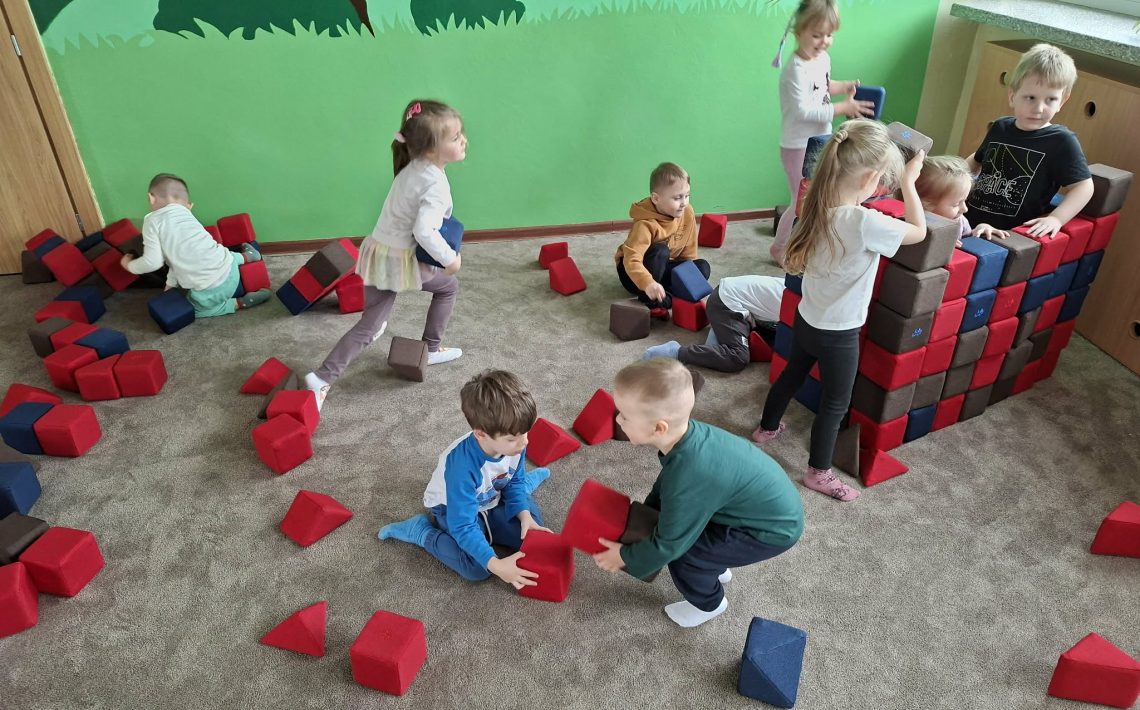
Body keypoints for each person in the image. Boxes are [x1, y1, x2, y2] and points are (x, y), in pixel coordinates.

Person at [752, 119, 926, 502]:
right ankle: (818, 473)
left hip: (808, 318)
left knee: (792, 375)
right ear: (870, 179)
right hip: (839, 333)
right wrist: (910, 182)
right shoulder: (865, 221)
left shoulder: (817, 204)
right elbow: (919, 232)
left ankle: (766, 428)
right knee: (835, 404)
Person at [592, 359, 804, 628]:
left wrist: (625, 557)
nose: (618, 420)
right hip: (752, 508)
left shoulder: (689, 474)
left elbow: (670, 544)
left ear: (659, 428)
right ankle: (716, 562)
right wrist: (645, 516)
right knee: (693, 528)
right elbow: (665, 487)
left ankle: (710, 604)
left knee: (687, 556)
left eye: (624, 416)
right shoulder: (686, 440)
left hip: (771, 531)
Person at [303, 99, 466, 411]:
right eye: (456, 137)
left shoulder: (413, 166)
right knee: (440, 290)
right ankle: (322, 378)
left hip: (379, 253)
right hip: (398, 263)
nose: (464, 141)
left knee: (378, 321)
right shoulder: (435, 183)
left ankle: (429, 348)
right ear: (432, 148)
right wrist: (450, 259)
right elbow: (425, 231)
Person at [378, 370, 552, 589]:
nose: (525, 442)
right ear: (481, 434)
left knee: (532, 535)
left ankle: (523, 494)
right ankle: (421, 531)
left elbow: (514, 480)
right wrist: (496, 565)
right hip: (452, 510)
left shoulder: (516, 442)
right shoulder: (461, 467)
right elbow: (463, 525)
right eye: (513, 438)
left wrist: (523, 514)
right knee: (477, 569)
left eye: (526, 432)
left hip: (493, 493)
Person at [770, 0, 873, 263]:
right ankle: (779, 248)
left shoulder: (822, 59)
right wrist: (843, 108)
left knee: (813, 199)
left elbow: (823, 86)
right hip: (797, 145)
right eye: (817, 35)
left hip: (819, 140)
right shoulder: (794, 70)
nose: (824, 41)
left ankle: (802, 246)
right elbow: (803, 111)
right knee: (799, 202)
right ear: (799, 33)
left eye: (829, 35)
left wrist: (844, 86)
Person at [964, 43, 1093, 237]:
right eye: (1030, 97)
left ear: (1062, 101)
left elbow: (1083, 186)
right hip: (968, 223)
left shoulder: (1061, 141)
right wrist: (955, 180)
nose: (1039, 108)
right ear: (1012, 96)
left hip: (1009, 236)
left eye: (1050, 99)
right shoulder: (1000, 127)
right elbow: (977, 160)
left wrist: (1056, 219)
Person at [122, 173, 269, 317]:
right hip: (231, 269)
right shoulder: (186, 214)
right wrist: (169, 286)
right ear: (188, 205)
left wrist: (129, 265)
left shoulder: (151, 220)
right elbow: (176, 260)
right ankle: (248, 256)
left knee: (193, 310)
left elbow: (152, 262)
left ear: (151, 198)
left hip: (213, 290)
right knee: (215, 252)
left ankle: (238, 303)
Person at [614, 162, 710, 315]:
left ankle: (665, 296)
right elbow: (631, 260)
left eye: (687, 196)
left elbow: (688, 252)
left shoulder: (687, 212)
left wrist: (689, 278)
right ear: (656, 198)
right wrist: (648, 283)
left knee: (702, 267)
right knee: (660, 250)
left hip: (663, 267)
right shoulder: (645, 224)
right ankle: (650, 297)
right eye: (677, 198)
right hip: (632, 274)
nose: (684, 203)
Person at [642, 275, 784, 373]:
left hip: (735, 298)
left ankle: (719, 333)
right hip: (726, 303)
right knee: (738, 357)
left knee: (775, 341)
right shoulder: (793, 302)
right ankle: (675, 351)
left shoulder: (793, 287)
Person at [916, 155, 1007, 244]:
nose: (965, 209)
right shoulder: (915, 224)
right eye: (956, 204)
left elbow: (967, 239)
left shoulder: (960, 221)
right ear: (925, 204)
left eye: (964, 200)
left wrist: (981, 228)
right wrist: (941, 244)